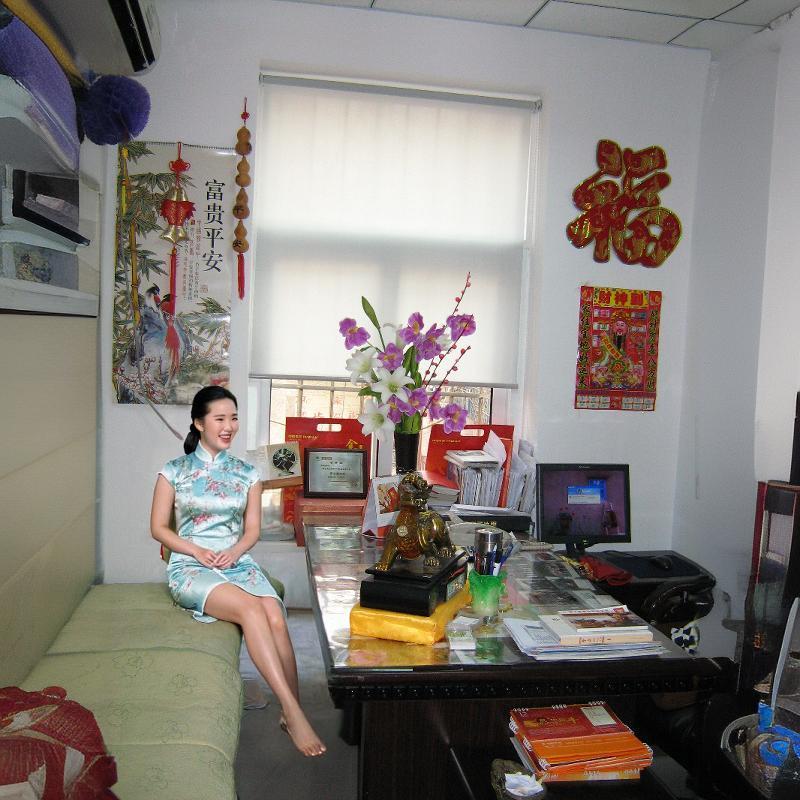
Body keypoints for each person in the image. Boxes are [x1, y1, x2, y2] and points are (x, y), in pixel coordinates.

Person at [150, 385, 326, 757]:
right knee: (251, 609)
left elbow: (252, 531)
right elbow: (159, 529)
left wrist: (233, 552)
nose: (229, 426)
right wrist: (197, 550)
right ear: (199, 423)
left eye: (233, 418)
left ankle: (289, 709)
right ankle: (294, 712)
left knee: (274, 613)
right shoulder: (173, 471)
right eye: (220, 419)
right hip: (190, 565)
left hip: (237, 561)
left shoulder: (248, 474)